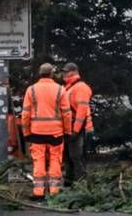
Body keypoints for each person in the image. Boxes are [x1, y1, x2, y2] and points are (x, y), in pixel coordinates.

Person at [22, 62, 67, 199]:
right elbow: (66, 113)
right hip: (56, 132)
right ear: (52, 74)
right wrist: (68, 130)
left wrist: (26, 133)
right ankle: (54, 192)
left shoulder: (31, 90)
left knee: (39, 160)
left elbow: (25, 114)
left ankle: (38, 192)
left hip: (37, 132)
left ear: (40, 74)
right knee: (55, 159)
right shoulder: (60, 89)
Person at [60, 62, 94, 184]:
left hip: (80, 128)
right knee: (68, 157)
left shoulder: (81, 87)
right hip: (70, 128)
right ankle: (69, 183)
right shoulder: (67, 87)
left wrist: (76, 130)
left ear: (74, 72)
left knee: (77, 157)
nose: (63, 74)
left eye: (66, 71)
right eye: (63, 71)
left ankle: (81, 184)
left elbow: (82, 111)